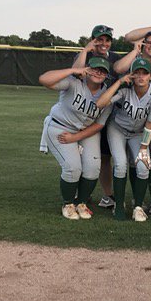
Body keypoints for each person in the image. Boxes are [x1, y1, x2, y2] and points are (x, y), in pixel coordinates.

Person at [38, 56, 114, 220]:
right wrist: (73, 70)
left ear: (107, 75)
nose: (98, 72)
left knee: (93, 168)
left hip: (85, 131)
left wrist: (76, 137)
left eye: (102, 71)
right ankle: (68, 204)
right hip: (59, 126)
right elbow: (44, 79)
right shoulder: (73, 82)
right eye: (94, 68)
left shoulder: (107, 94)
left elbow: (99, 124)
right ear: (86, 69)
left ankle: (81, 203)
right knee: (73, 167)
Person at [94, 57, 151, 222]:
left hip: (139, 132)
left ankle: (138, 207)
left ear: (150, 76)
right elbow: (100, 103)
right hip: (117, 129)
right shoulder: (125, 87)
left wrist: (144, 147)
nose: (140, 77)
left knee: (143, 165)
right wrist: (119, 82)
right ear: (131, 75)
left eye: (144, 73)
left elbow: (150, 122)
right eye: (136, 73)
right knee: (120, 164)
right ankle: (119, 205)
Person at [72, 25, 121, 211]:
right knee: (80, 154)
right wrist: (85, 50)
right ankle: (79, 191)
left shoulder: (114, 58)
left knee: (104, 157)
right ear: (92, 39)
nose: (103, 43)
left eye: (107, 39)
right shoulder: (85, 56)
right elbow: (75, 72)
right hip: (82, 114)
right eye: (99, 39)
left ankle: (108, 195)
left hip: (105, 114)